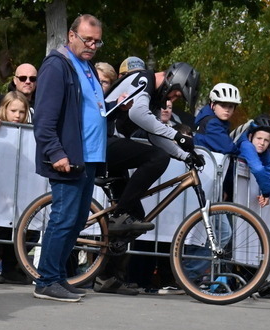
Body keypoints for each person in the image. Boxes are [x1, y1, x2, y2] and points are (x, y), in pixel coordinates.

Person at [32, 13, 107, 302]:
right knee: (64, 218)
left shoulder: (86, 66)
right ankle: (46, 280)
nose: (91, 45)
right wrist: (56, 153)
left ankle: (58, 277)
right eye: (87, 39)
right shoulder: (57, 65)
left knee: (76, 221)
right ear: (71, 36)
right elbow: (45, 118)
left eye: (97, 42)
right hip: (69, 156)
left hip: (88, 156)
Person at [103, 61, 202, 236]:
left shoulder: (154, 97)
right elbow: (138, 114)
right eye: (176, 95)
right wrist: (177, 135)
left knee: (136, 220)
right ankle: (119, 215)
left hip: (110, 147)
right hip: (98, 142)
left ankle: (111, 242)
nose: (172, 99)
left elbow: (154, 135)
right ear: (172, 80)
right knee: (158, 157)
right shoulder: (144, 79)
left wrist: (185, 155)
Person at [0, 91, 31, 284]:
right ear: (3, 109)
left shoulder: (28, 132)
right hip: (0, 186)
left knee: (20, 227)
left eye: (21, 111)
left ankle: (11, 268)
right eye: (13, 111)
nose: (17, 115)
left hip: (21, 187)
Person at [235, 115, 270, 207]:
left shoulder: (265, 152)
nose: (262, 143)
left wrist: (268, 195)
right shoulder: (246, 145)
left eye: (266, 140)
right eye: (259, 138)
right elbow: (258, 169)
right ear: (250, 137)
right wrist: (266, 192)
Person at [194, 82, 240, 154]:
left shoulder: (208, 119)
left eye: (231, 106)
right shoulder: (212, 123)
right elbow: (228, 148)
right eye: (223, 105)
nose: (227, 110)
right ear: (213, 105)